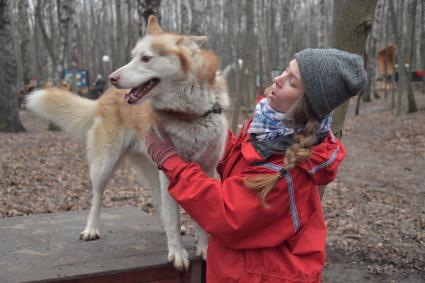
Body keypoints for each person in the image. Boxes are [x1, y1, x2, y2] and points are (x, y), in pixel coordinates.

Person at [146, 48, 367, 282]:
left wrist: (171, 161)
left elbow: (226, 213)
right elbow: (236, 161)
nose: (278, 79)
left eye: (292, 81)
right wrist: (205, 125)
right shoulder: (269, 126)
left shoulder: (289, 172)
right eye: (285, 70)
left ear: (305, 105)